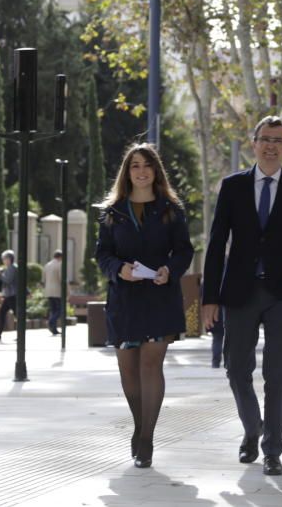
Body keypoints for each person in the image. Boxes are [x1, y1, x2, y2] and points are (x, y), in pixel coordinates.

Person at [201, 116, 282, 477]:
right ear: (253, 143)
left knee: (277, 373)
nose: (271, 146)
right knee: (236, 368)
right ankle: (252, 427)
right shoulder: (232, 187)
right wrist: (210, 297)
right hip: (239, 292)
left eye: (279, 140)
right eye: (265, 139)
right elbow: (215, 245)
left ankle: (272, 449)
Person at [96, 143, 194, 469]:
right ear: (127, 172)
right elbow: (103, 254)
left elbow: (184, 251)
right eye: (134, 165)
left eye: (146, 165)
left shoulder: (171, 209)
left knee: (151, 366)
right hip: (124, 300)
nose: (141, 171)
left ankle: (147, 440)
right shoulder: (112, 212)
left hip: (159, 297)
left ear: (156, 170)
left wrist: (171, 270)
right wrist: (118, 269)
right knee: (128, 370)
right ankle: (139, 426)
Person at [0, 249, 17, 340]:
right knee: (2, 313)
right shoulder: (11, 267)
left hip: (12, 295)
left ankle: (20, 334)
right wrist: (1, 271)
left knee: (17, 314)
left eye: (4, 259)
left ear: (9, 259)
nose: (3, 261)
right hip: (9, 295)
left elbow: (7, 280)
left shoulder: (12, 268)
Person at [43, 250, 64, 336]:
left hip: (48, 290)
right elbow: (61, 278)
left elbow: (43, 279)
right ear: (60, 257)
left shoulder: (47, 265)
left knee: (53, 310)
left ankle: (54, 329)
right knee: (60, 310)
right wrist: (68, 291)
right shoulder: (60, 264)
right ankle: (51, 321)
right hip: (57, 290)